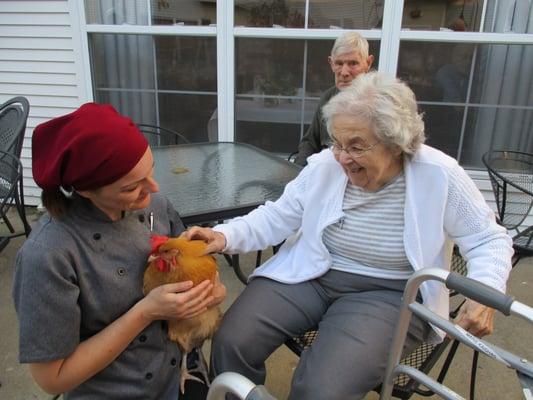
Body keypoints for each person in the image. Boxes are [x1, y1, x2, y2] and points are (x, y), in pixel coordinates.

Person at [184, 72, 513, 399]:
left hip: (389, 293)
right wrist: (223, 236)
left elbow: (488, 239)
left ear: (396, 143)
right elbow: (279, 214)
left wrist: (483, 292)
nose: (341, 157)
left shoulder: (439, 174)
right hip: (311, 272)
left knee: (320, 389)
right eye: (337, 143)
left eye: (356, 146)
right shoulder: (326, 164)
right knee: (232, 340)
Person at [12, 103, 226, 399]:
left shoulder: (156, 205)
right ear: (85, 190)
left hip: (179, 370)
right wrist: (145, 312)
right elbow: (53, 379)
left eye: (150, 170)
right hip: (116, 390)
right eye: (131, 187)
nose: (153, 189)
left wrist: (212, 293)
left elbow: (188, 262)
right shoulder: (48, 255)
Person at [294, 31, 374, 166]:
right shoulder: (327, 99)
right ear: (331, 63)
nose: (344, 72)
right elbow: (310, 143)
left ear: (368, 63)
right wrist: (296, 175)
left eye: (353, 63)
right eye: (339, 63)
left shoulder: (380, 102)